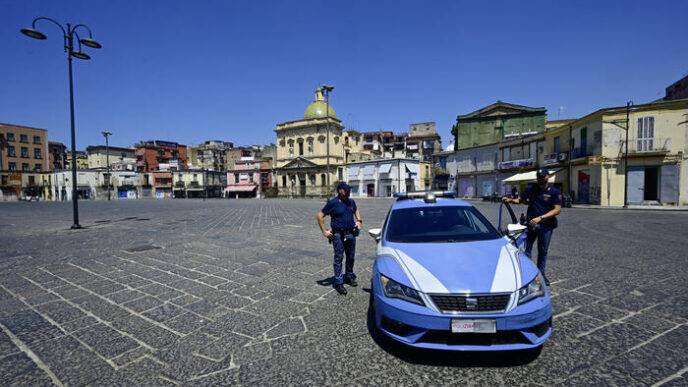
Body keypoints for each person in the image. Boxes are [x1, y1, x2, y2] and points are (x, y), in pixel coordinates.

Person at [503, 169, 561, 285]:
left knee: (542, 251)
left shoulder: (554, 192)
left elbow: (557, 209)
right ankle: (528, 273)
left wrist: (541, 218)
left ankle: (541, 274)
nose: (540, 178)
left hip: (546, 226)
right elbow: (521, 200)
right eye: (539, 176)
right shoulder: (531, 189)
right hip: (531, 225)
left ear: (547, 177)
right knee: (526, 249)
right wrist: (509, 200)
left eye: (543, 176)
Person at [316, 182, 363, 295]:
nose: (349, 192)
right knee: (338, 258)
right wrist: (324, 231)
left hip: (351, 234)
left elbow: (356, 209)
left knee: (351, 257)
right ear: (340, 191)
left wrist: (359, 221)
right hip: (338, 235)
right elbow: (320, 215)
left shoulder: (351, 201)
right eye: (347, 190)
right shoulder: (333, 203)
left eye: (349, 190)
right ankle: (338, 282)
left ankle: (348, 276)